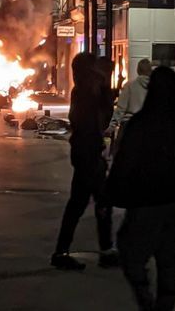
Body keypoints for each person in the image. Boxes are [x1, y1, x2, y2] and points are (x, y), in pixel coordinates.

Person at [107, 67, 175, 311]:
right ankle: (164, 305)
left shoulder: (140, 124)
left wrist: (111, 193)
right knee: (168, 258)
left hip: (146, 203)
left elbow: (124, 162)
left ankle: (147, 301)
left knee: (131, 252)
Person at [51, 53, 118, 270]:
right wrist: (107, 89)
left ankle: (102, 250)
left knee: (92, 203)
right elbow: (100, 119)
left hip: (85, 153)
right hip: (89, 155)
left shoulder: (81, 90)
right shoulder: (88, 92)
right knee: (83, 204)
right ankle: (64, 252)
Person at [106, 58, 151, 153]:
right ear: (150, 71)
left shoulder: (129, 85)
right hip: (147, 126)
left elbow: (120, 109)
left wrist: (111, 127)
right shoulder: (155, 87)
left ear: (138, 70)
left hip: (128, 126)